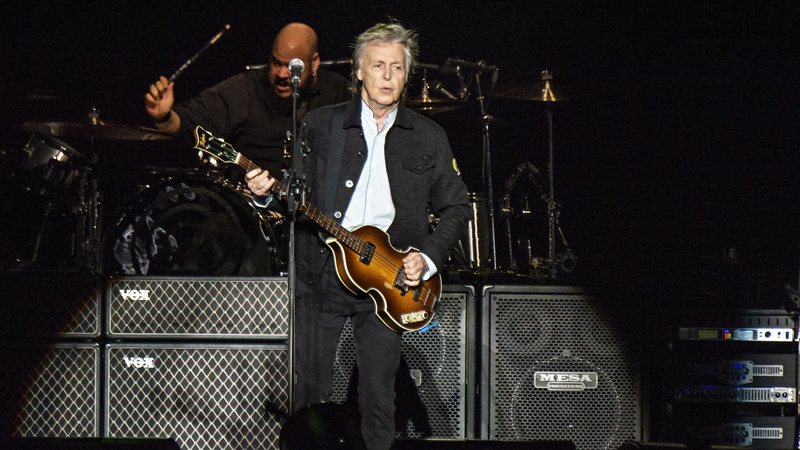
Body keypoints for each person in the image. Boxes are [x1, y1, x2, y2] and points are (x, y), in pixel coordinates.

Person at [245, 21, 471, 449]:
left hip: (388, 281)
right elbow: (292, 197)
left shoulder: (428, 136)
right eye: (378, 66)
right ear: (358, 72)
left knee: (379, 400)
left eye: (397, 67)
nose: (387, 76)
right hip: (320, 276)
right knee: (309, 396)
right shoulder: (319, 125)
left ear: (408, 75)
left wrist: (425, 257)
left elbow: (457, 205)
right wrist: (264, 194)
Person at [144, 22, 350, 176]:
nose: (281, 73)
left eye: (291, 67)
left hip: (317, 210)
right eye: (275, 63)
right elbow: (195, 119)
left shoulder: (336, 88)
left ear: (314, 63)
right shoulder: (245, 89)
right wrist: (165, 118)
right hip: (254, 210)